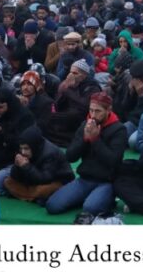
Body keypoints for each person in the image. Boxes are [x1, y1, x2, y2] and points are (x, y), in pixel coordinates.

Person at [46, 92, 128, 223]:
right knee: (52, 206)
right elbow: (70, 156)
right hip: (84, 179)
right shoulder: (85, 125)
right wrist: (84, 140)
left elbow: (113, 161)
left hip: (106, 181)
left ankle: (105, 198)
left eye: (98, 111)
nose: (93, 115)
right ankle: (88, 197)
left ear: (108, 110)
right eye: (91, 110)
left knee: (90, 208)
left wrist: (95, 140)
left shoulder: (119, 130)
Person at [0, 125, 74, 203]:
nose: (23, 152)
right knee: (8, 182)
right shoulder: (24, 151)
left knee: (41, 190)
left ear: (34, 146)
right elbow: (15, 177)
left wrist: (26, 166)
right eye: (21, 148)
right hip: (34, 178)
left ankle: (27, 195)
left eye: (26, 148)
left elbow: (45, 179)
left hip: (57, 181)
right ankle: (33, 197)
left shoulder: (50, 153)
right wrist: (17, 166)